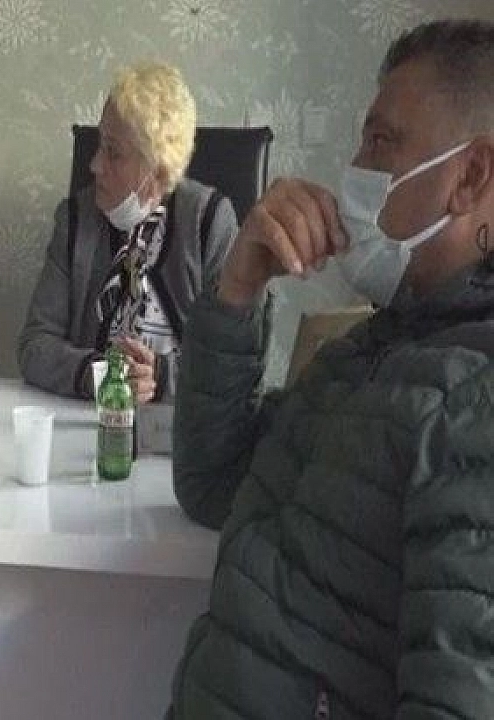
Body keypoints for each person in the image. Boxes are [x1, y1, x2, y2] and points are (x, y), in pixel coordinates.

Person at [169, 19, 494, 718]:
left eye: (382, 141)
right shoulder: (369, 350)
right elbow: (212, 485)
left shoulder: (473, 396)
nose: (355, 170)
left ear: (469, 176)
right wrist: (238, 289)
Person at [18, 63, 238, 404]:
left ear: (157, 168)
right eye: (99, 145)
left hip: (181, 426)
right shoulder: (76, 219)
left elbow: (230, 363)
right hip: (88, 419)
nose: (95, 165)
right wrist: (99, 375)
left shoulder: (209, 222)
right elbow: (35, 346)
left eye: (113, 152)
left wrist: (160, 378)